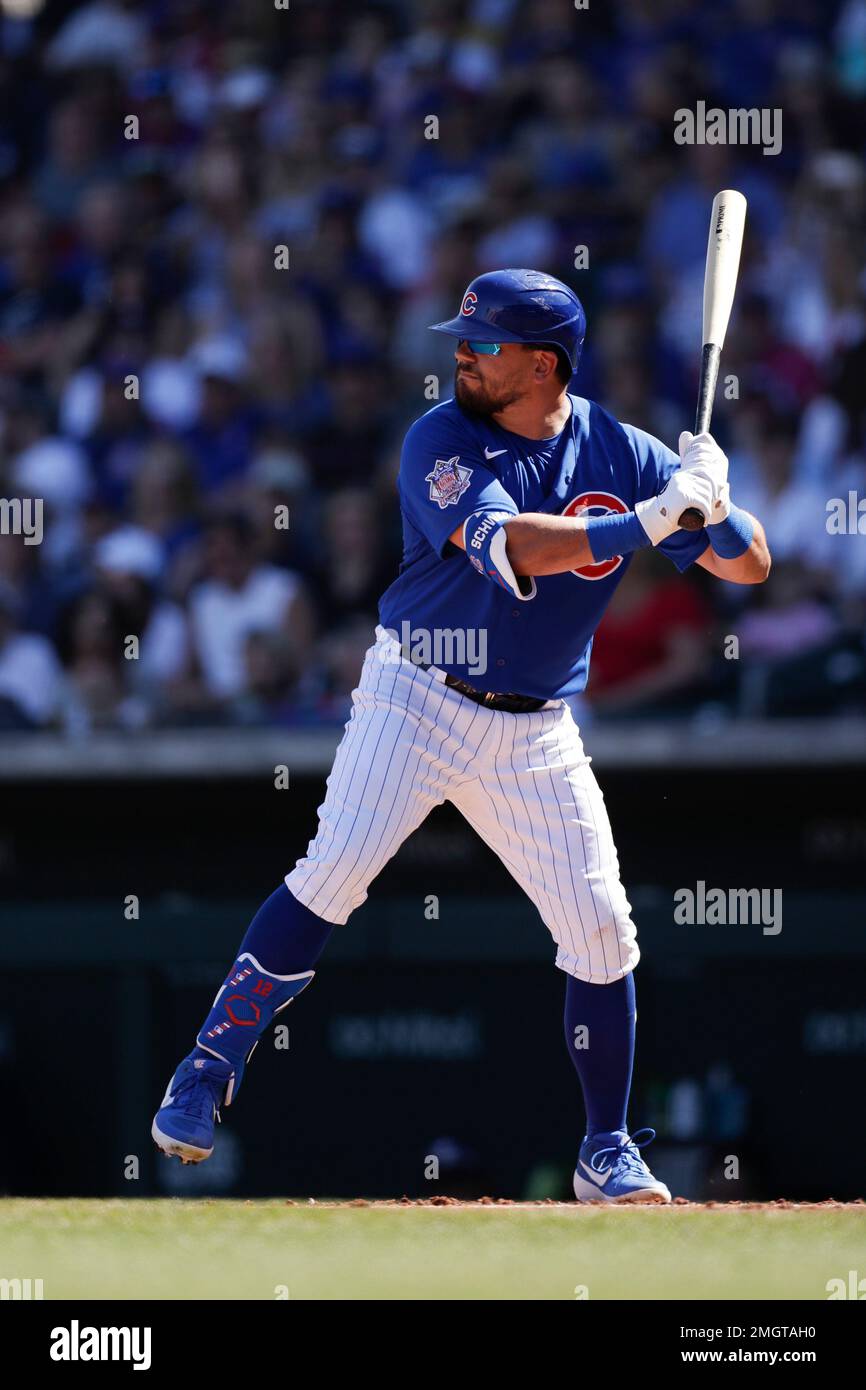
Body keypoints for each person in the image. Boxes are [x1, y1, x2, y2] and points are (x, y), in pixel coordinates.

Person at [153, 269, 770, 1202]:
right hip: (417, 693)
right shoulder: (439, 436)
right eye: (463, 339)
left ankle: (607, 1150)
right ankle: (205, 1069)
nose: (461, 356)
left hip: (536, 729)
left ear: (542, 363)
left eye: (482, 346)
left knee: (602, 930)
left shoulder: (624, 451)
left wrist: (717, 505)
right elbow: (514, 545)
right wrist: (651, 521)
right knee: (334, 873)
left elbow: (751, 566)